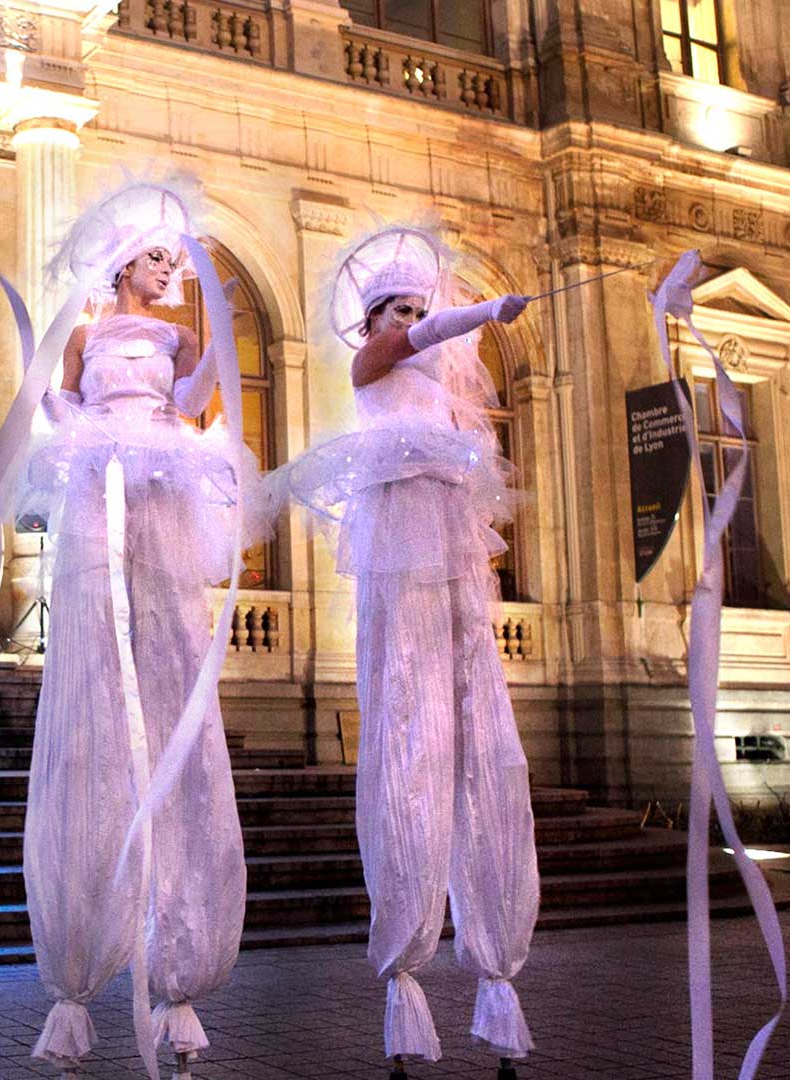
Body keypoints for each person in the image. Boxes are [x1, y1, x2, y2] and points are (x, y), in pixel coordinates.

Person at [272, 225, 539, 1079]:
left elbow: (437, 356)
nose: (412, 320)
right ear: (374, 318)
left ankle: (496, 973)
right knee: (407, 729)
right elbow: (415, 341)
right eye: (399, 309)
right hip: (401, 542)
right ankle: (408, 967)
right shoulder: (375, 362)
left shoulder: (438, 395)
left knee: (476, 725)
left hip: (445, 542)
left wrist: (470, 326)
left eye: (418, 307)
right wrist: (481, 312)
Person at [17, 178, 255, 1078]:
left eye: (172, 259)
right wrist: (58, 413)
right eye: (156, 258)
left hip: (157, 484)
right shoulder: (85, 334)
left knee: (164, 646)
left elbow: (192, 401)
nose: (168, 272)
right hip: (99, 488)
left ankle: (178, 964)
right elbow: (61, 406)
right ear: (124, 263)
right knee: (98, 666)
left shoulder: (176, 335)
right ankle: (84, 961)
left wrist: (218, 345)